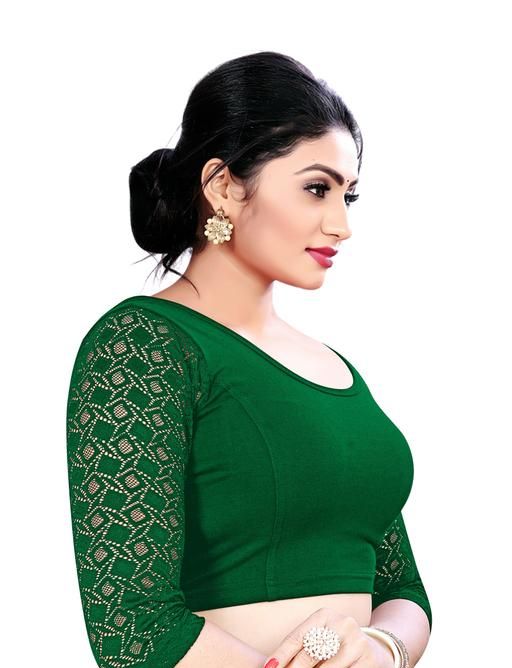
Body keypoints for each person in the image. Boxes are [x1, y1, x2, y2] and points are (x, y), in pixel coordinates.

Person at [66, 51, 432, 668]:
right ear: (223, 187)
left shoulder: (335, 369)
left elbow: (402, 590)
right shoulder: (143, 346)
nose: (341, 225)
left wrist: (379, 648)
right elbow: (132, 629)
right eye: (317, 189)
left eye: (349, 196)